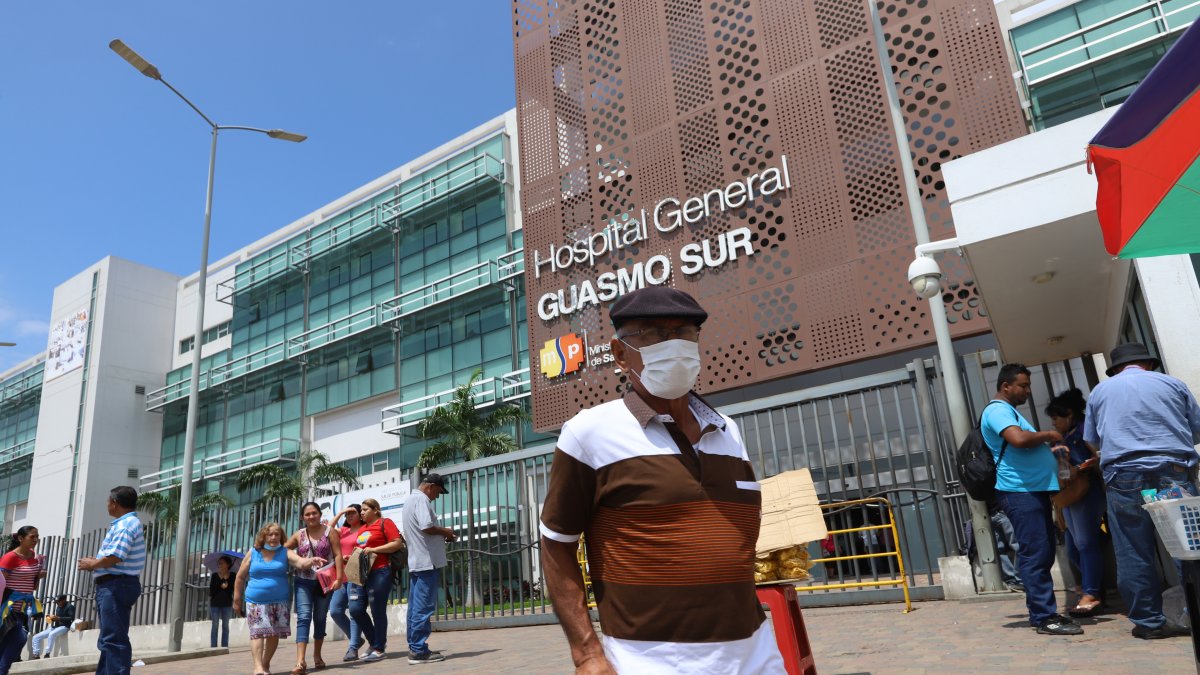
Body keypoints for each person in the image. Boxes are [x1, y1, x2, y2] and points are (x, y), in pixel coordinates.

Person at [540, 286, 787, 673]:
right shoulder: (589, 433)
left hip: (756, 656)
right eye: (653, 333)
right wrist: (587, 654)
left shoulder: (727, 431)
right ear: (620, 354)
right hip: (652, 662)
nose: (673, 344)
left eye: (684, 333)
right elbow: (556, 546)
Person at [1084, 342, 1200, 639]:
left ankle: (1149, 625)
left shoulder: (1100, 392)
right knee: (1188, 546)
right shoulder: (1172, 383)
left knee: (1133, 549)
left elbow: (1093, 440)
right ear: (1147, 363)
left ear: (1117, 369)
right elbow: (1196, 429)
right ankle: (1196, 615)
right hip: (1173, 472)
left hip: (1124, 476)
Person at [981, 364, 1081, 635]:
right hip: (1019, 492)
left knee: (1042, 552)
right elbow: (1018, 439)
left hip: (1030, 491)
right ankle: (1044, 616)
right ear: (1006, 387)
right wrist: (1049, 435)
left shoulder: (1009, 412)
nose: (1027, 391)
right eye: (1023, 386)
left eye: (1028, 385)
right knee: (1035, 554)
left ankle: (1043, 613)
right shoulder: (998, 410)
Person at [233, 523, 325, 675]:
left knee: (273, 633)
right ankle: (257, 668)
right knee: (257, 632)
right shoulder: (253, 552)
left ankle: (265, 664)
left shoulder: (285, 552)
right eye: (270, 534)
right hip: (255, 600)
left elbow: (300, 563)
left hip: (279, 601)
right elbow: (240, 577)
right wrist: (237, 599)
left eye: (277, 534)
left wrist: (312, 560)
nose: (274, 537)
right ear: (264, 536)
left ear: (281, 537)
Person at [1045, 388, 1105, 617]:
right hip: (1071, 495)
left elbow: (1098, 455)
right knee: (1073, 548)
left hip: (1086, 492)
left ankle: (1091, 593)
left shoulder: (1082, 430)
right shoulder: (1068, 434)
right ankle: (1092, 588)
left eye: (1056, 418)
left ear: (1069, 414)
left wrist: (1081, 466)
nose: (1054, 423)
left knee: (1086, 544)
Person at [77, 486, 145, 675]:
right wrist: (96, 562)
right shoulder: (125, 523)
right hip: (114, 584)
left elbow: (116, 556)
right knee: (109, 638)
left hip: (116, 585)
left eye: (108, 501)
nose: (107, 504)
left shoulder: (126, 524)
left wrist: (92, 564)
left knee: (114, 638)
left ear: (114, 503)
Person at [401, 473, 457, 665]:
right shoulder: (421, 500)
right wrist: (446, 531)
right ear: (430, 486)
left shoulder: (410, 500)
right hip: (426, 562)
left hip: (418, 562)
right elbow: (426, 526)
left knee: (416, 607)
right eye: (439, 492)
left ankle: (414, 646)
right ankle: (418, 650)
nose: (437, 497)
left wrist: (441, 534)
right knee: (423, 607)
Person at [285, 502, 342, 674]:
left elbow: (338, 554)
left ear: (319, 514)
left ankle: (317, 655)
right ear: (302, 517)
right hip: (303, 580)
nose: (311, 516)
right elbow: (284, 550)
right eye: (307, 514)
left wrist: (339, 578)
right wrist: (298, 560)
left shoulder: (329, 532)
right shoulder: (299, 535)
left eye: (314, 513)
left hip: (324, 581)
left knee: (319, 618)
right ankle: (300, 661)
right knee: (303, 617)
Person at [347, 498, 404, 662]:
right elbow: (363, 551)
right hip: (361, 573)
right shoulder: (362, 529)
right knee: (355, 609)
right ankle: (374, 642)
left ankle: (379, 648)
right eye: (361, 510)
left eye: (365, 510)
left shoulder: (385, 523)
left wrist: (374, 549)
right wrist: (349, 558)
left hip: (380, 572)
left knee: (377, 611)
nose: (362, 513)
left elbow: (397, 544)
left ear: (376, 510)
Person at [0, 525, 45, 673]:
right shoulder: (10, 557)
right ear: (20, 538)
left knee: (9, 642)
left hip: (24, 609)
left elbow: (33, 586)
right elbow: (1, 584)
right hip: (8, 610)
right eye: (32, 536)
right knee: (19, 638)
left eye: (37, 536)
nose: (36, 539)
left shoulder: (33, 556)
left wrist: (39, 575)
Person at [329, 504, 364, 662]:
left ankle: (353, 647)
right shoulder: (342, 531)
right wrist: (341, 512)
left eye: (352, 513)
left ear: (360, 515)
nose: (349, 516)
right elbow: (328, 530)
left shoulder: (364, 530)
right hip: (341, 577)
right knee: (335, 611)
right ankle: (355, 638)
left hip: (355, 576)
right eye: (347, 513)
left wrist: (353, 557)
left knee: (354, 611)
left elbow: (366, 549)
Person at [30, 594, 74, 659]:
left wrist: (59, 618)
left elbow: (71, 618)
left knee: (51, 634)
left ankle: (47, 653)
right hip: (55, 627)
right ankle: (36, 654)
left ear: (64, 600)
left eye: (59, 601)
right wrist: (51, 618)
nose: (57, 603)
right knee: (35, 637)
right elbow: (57, 617)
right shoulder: (58, 606)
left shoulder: (70, 607)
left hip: (65, 626)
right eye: (56, 602)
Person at [208, 556, 235, 649]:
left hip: (227, 604)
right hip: (215, 604)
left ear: (228, 564)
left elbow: (233, 589)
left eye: (222, 563)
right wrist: (220, 585)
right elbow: (211, 591)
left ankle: (224, 646)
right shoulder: (215, 575)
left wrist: (227, 587)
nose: (219, 565)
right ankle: (213, 647)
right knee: (215, 625)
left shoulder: (232, 576)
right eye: (219, 563)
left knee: (225, 626)